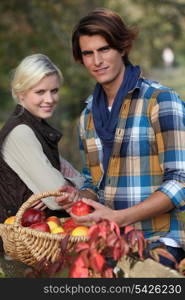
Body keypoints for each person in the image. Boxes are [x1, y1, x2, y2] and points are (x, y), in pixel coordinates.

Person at [57, 8, 185, 268]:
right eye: (88, 53)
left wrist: (120, 217)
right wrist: (78, 196)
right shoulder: (88, 116)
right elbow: (96, 183)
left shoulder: (160, 101)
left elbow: (181, 181)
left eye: (104, 49)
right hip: (108, 241)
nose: (96, 61)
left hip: (158, 242)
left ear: (123, 48)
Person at [0, 53, 86, 235]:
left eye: (54, 91)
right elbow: (58, 197)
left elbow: (77, 180)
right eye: (40, 92)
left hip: (39, 237)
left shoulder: (37, 129)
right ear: (20, 94)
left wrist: (69, 185)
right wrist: (70, 187)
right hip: (21, 243)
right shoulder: (21, 133)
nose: (49, 99)